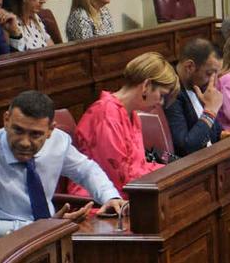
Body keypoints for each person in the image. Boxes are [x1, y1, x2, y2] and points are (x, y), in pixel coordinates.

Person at [0, 90, 125, 244]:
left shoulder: (58, 140)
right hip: (2, 249)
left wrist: (109, 197)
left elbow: (86, 170)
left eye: (35, 134)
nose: (25, 142)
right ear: (6, 120)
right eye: (18, 130)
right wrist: (44, 227)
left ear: (51, 130)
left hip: (51, 237)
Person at [69, 53, 177, 192]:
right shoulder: (106, 114)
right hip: (98, 202)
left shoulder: (132, 114)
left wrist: (173, 169)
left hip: (127, 194)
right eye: (161, 95)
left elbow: (139, 166)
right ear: (146, 85)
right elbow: (120, 178)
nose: (160, 103)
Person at [165, 38, 226, 155]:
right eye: (209, 74)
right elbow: (186, 147)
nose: (214, 81)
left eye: (217, 74)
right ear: (189, 67)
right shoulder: (171, 92)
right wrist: (210, 111)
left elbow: (216, 133)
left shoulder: (198, 86)